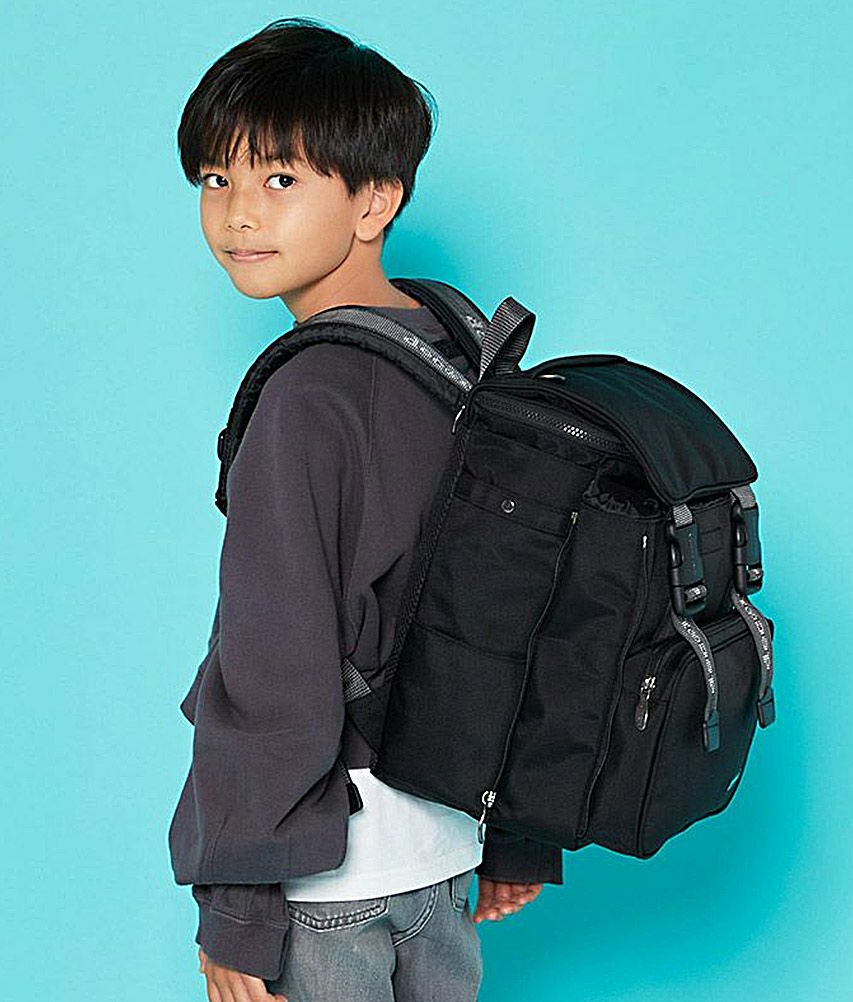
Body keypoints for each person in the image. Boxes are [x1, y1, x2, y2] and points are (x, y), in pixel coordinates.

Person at [167, 16, 563, 1002]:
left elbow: (275, 661)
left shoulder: (307, 400)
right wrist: (520, 833)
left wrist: (238, 908)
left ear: (376, 199)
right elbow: (517, 599)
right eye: (215, 179)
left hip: (327, 883)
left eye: (280, 179)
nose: (238, 214)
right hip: (446, 854)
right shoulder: (461, 349)